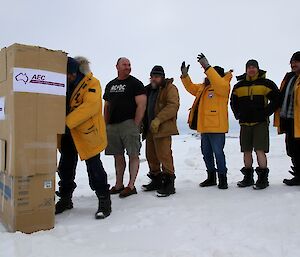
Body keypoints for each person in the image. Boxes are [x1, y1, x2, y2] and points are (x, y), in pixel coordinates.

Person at [56, 57, 111, 219]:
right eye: (66, 74)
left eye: (70, 74)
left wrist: (67, 122)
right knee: (65, 168)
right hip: (67, 135)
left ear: (77, 72)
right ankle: (65, 199)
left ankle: (104, 201)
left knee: (95, 169)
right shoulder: (62, 85)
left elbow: (90, 106)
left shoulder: (92, 83)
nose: (68, 77)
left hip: (87, 134)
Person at [181, 54, 232, 189]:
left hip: (217, 129)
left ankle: (223, 178)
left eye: (212, 75)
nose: (209, 76)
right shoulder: (203, 88)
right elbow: (191, 87)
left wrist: (207, 66)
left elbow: (219, 83)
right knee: (206, 154)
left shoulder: (223, 87)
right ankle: (211, 177)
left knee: (218, 153)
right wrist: (185, 76)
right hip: (204, 128)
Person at [231, 59, 280, 189]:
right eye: (249, 67)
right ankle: (248, 178)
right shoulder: (238, 86)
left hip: (260, 123)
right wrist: (238, 115)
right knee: (246, 151)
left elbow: (277, 100)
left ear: (257, 69)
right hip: (245, 123)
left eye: (254, 67)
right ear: (246, 69)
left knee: (259, 150)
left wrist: (265, 113)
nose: (251, 69)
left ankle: (263, 179)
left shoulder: (266, 84)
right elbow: (233, 102)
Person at [104, 57, 147, 198]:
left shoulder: (135, 83)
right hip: (112, 125)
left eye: (129, 65)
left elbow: (142, 105)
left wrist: (135, 123)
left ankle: (131, 185)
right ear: (117, 66)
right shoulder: (110, 85)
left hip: (129, 124)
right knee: (118, 156)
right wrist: (105, 124)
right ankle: (118, 185)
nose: (127, 67)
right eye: (124, 64)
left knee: (133, 154)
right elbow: (107, 106)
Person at [142, 66, 180, 197]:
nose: (154, 79)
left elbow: (173, 106)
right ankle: (156, 180)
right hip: (149, 129)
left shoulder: (170, 88)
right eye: (152, 76)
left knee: (164, 155)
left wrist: (158, 119)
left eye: (157, 76)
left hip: (163, 128)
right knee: (151, 155)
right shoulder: (148, 90)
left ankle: (169, 184)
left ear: (162, 77)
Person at [274, 52, 300, 186]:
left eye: (296, 61)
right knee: (292, 149)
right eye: (292, 62)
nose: (293, 64)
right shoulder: (289, 77)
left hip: (299, 120)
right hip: (288, 119)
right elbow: (280, 95)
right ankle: (298, 174)